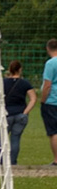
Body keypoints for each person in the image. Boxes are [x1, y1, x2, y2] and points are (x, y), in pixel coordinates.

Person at [2, 61, 33, 165]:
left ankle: (1, 162)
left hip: (6, 114)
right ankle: (12, 162)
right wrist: (25, 112)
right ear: (20, 69)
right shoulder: (25, 83)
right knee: (15, 139)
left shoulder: (3, 82)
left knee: (1, 139)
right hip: (20, 114)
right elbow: (33, 99)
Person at [42, 38, 57, 166]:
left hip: (52, 101)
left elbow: (47, 84)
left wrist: (43, 100)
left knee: (53, 131)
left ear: (48, 48)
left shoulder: (51, 63)